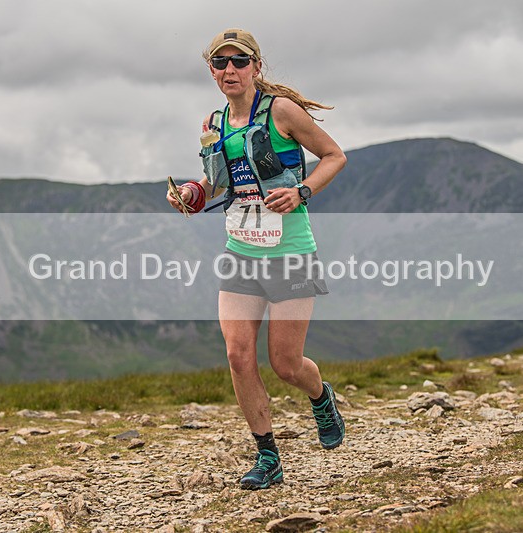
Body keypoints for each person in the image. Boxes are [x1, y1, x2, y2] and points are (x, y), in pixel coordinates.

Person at [166, 28, 347, 490]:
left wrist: (302, 191)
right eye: (220, 62)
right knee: (238, 354)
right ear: (212, 71)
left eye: (239, 61)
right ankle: (267, 455)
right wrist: (191, 193)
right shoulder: (213, 123)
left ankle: (321, 396)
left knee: (286, 364)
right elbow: (217, 183)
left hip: (290, 252)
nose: (230, 69)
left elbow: (333, 156)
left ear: (255, 67)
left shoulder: (281, 111)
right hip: (241, 252)